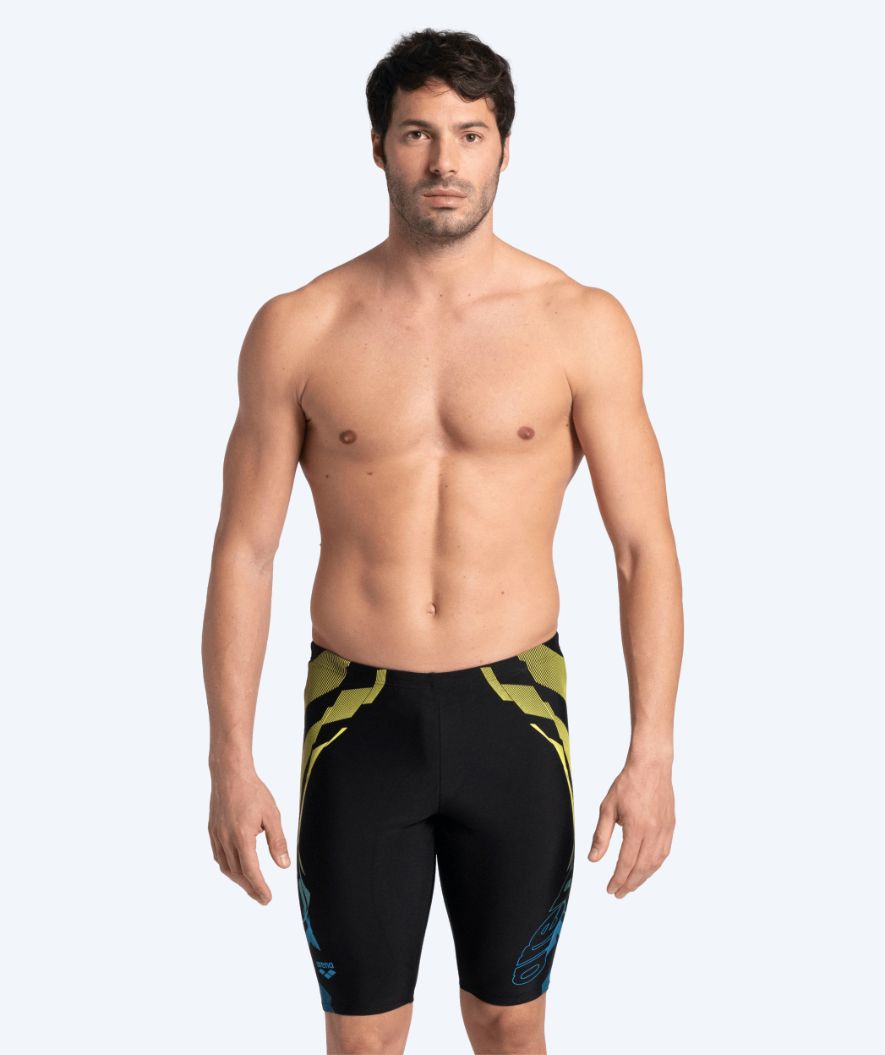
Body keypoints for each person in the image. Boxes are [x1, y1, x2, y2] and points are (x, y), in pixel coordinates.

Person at [203, 26, 682, 1055]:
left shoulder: (580, 322)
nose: (444, 160)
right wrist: (228, 759)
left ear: (505, 147)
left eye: (469, 133)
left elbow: (642, 548)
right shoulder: (300, 325)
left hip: (515, 709)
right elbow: (245, 552)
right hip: (355, 715)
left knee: (509, 1026)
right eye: (418, 133)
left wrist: (652, 752)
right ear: (378, 146)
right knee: (363, 1040)